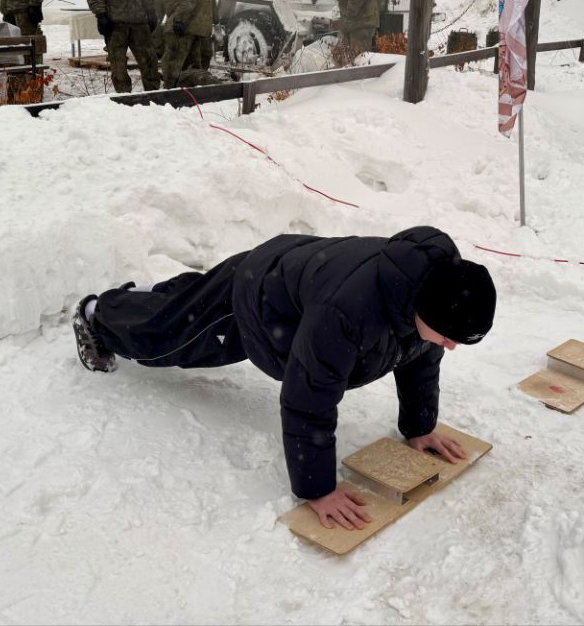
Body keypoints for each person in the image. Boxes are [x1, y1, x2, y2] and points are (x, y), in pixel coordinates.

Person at [70, 225, 496, 531]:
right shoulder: (347, 313)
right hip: (257, 301)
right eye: (447, 336)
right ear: (425, 311)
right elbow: (308, 397)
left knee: (188, 305)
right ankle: (97, 316)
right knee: (167, 339)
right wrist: (318, 489)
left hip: (295, 274)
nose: (449, 346)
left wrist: (420, 426)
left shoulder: (432, 293)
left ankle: (155, 299)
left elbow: (420, 359)